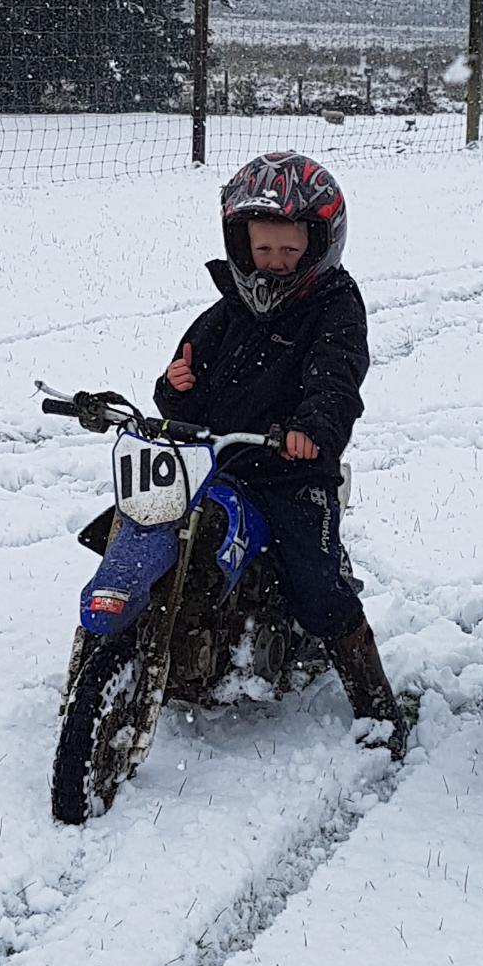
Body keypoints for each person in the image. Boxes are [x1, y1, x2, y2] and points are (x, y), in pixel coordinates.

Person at [155, 151, 407, 759]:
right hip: (220, 465)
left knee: (316, 583)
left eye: (288, 252)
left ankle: (376, 704)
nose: (273, 264)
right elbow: (181, 387)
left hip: (293, 471)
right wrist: (174, 387)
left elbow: (336, 377)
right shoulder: (224, 314)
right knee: (158, 523)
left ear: (320, 246)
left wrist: (313, 426)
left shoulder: (335, 308)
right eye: (262, 251)